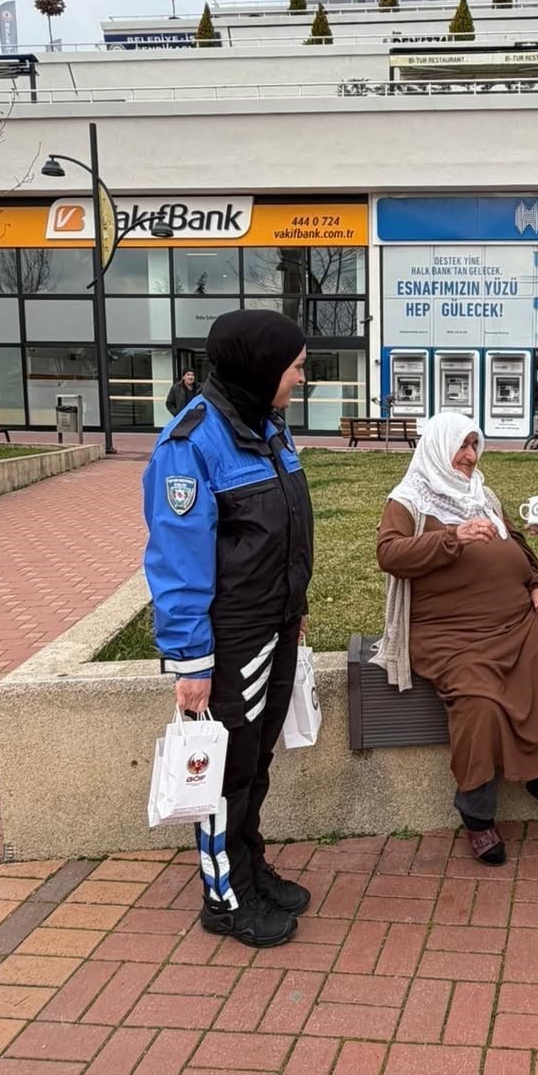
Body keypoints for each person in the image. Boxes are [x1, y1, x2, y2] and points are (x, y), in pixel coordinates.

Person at [143, 311, 313, 949]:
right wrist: (191, 663)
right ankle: (225, 897)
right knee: (225, 772)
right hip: (232, 637)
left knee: (255, 761)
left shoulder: (269, 425)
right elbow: (177, 562)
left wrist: (295, 606)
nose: (301, 378)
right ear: (260, 368)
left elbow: (282, 531)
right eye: (295, 367)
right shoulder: (190, 442)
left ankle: (248, 867)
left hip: (276, 623)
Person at [374, 412, 538, 866]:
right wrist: (452, 537)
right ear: (438, 447)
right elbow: (389, 553)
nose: (470, 456)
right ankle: (476, 812)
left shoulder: (484, 495)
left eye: (475, 445)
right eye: (461, 446)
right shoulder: (408, 499)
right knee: (479, 702)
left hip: (517, 620)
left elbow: (518, 545)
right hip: (450, 634)